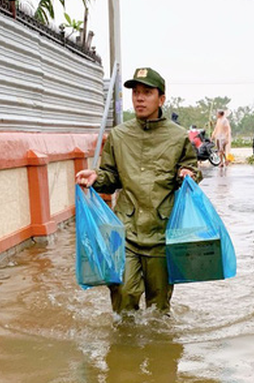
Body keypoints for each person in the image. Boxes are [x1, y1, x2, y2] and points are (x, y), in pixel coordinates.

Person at [75, 67, 201, 314]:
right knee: (123, 296)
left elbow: (191, 172)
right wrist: (96, 176)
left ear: (161, 99)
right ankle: (123, 348)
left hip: (162, 233)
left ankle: (160, 350)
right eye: (135, 93)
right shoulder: (119, 135)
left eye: (147, 92)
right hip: (126, 231)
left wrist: (188, 174)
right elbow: (111, 178)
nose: (139, 98)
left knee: (159, 308)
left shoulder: (178, 137)